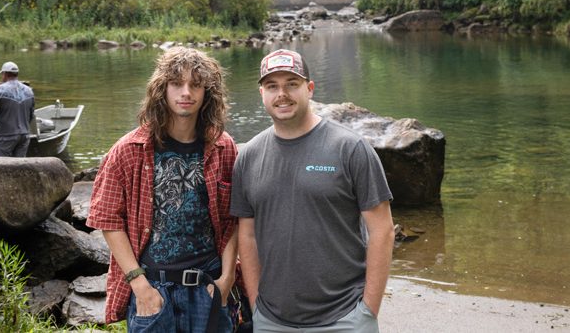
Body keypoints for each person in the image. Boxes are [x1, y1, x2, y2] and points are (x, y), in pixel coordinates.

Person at [231, 48, 395, 332]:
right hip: (272, 321)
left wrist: (368, 310)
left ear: (309, 88)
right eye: (272, 86)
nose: (282, 94)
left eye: (291, 84)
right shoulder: (249, 156)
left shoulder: (350, 148)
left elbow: (383, 230)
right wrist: (257, 304)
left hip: (345, 318)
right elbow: (247, 235)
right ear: (262, 94)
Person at [87, 47, 238, 333]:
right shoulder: (128, 150)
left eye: (195, 85)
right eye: (176, 83)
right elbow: (107, 218)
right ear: (162, 89)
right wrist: (139, 284)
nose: (186, 92)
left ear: (207, 92)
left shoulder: (223, 147)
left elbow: (234, 218)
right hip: (154, 288)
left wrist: (227, 278)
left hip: (208, 286)